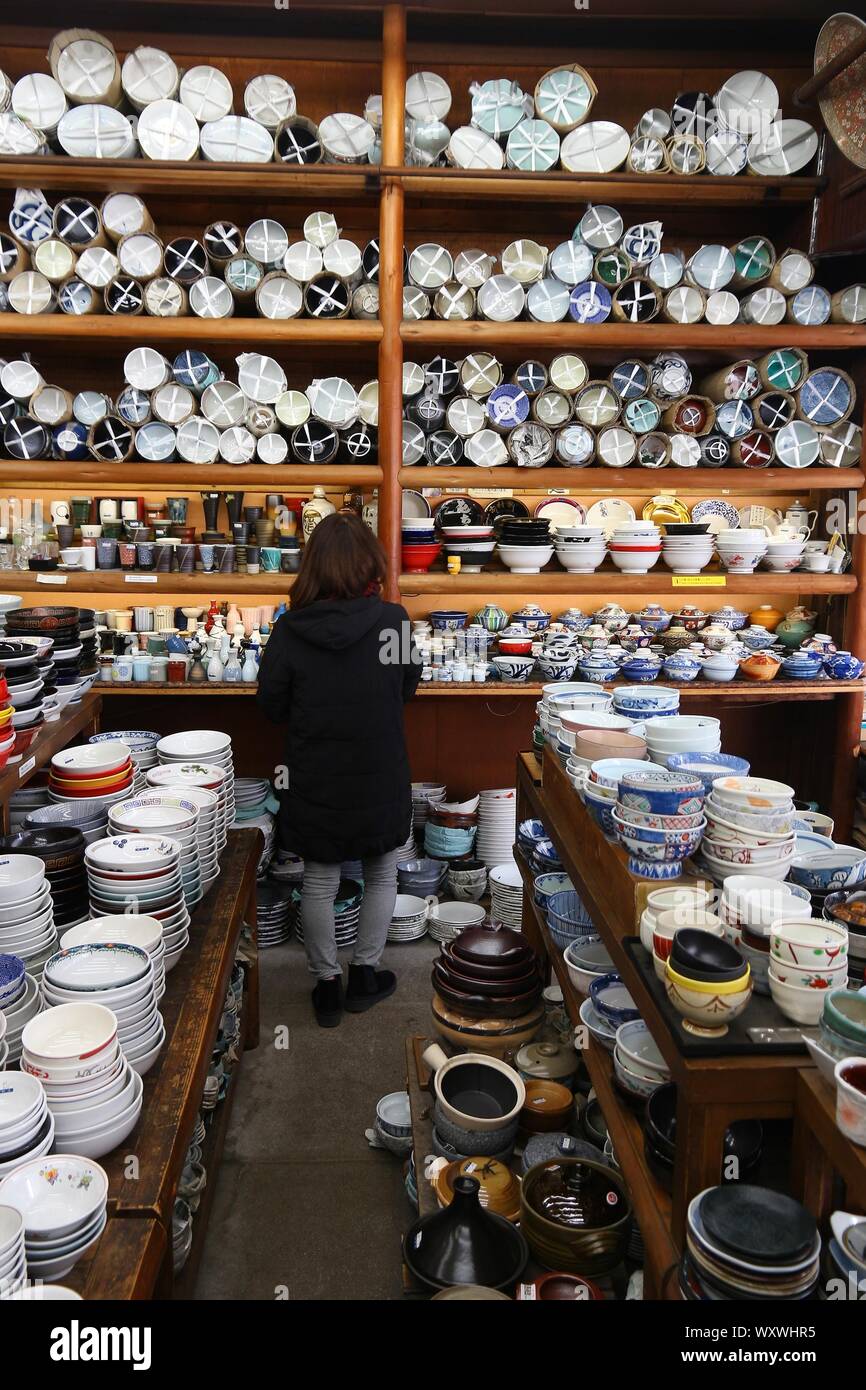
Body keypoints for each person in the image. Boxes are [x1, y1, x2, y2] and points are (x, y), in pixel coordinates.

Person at [256, 512, 421, 1027]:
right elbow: (407, 690)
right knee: (381, 872)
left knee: (320, 880)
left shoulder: (290, 630)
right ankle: (365, 976)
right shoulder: (393, 622)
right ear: (369, 565)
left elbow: (271, 707)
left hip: (314, 774)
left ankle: (327, 986)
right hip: (379, 769)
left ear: (312, 569)